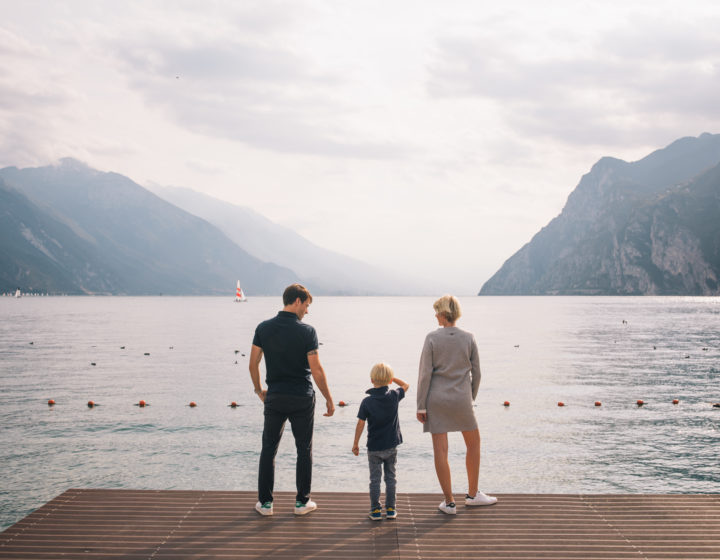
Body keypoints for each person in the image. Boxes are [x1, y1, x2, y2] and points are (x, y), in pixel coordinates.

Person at [249, 283, 335, 517]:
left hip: (274, 396)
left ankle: (265, 504)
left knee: (269, 449)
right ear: (297, 301)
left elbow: (253, 363)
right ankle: (301, 503)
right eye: (306, 305)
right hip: (301, 398)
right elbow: (316, 370)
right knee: (303, 449)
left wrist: (259, 391)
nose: (307, 311)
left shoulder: (263, 328)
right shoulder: (307, 332)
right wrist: (329, 398)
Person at [416, 295, 497, 515]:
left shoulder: (431, 338)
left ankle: (449, 502)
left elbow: (424, 374)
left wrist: (421, 406)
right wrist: (470, 397)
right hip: (462, 400)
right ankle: (472, 495)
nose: (435, 316)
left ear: (443, 314)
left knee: (441, 451)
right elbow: (477, 373)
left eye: (436, 312)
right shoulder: (469, 337)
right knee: (474, 444)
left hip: (436, 400)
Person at [352, 363, 409, 521]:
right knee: (391, 478)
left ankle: (375, 510)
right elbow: (406, 385)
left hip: (374, 448)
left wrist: (355, 443)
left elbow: (361, 423)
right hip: (391, 445)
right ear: (390, 381)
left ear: (371, 380)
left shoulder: (367, 402)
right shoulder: (394, 396)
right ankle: (391, 509)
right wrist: (392, 378)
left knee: (375, 480)